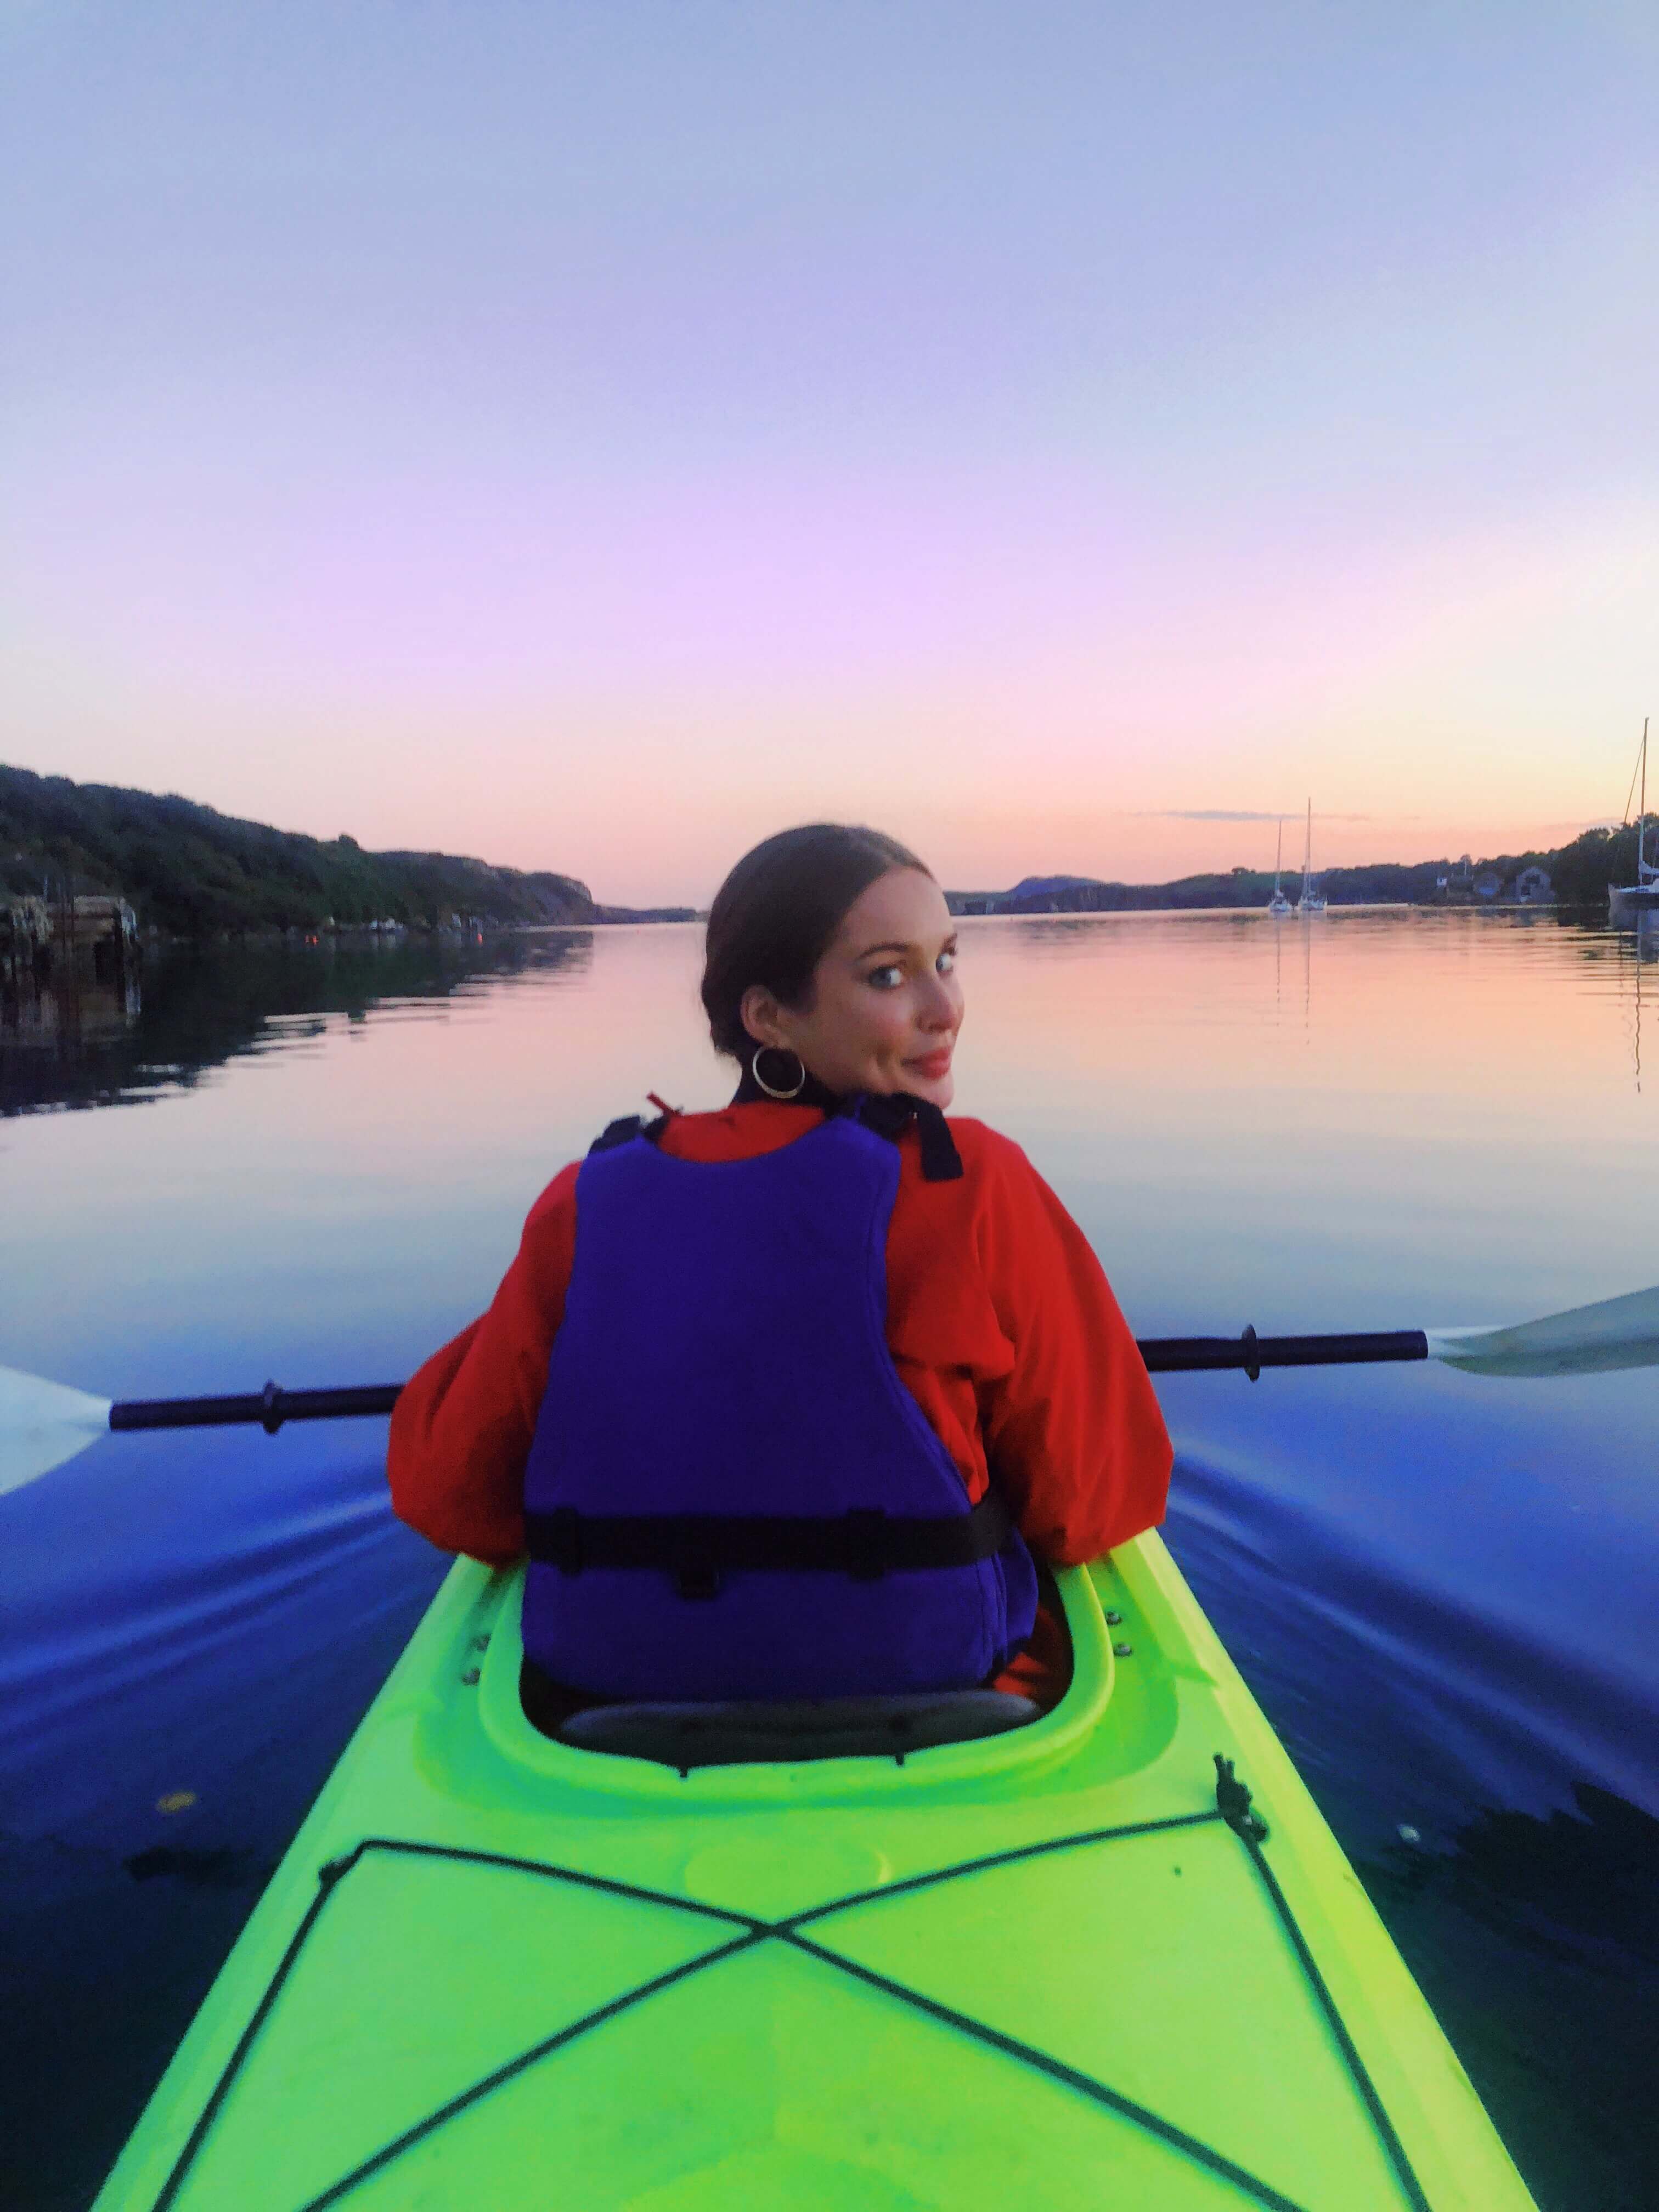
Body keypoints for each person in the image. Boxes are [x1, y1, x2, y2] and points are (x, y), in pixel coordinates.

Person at [388, 824, 1171, 1721]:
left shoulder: (589, 1201)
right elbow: (1099, 1502)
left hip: (611, 1714)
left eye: (946, 960)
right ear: (768, 1017)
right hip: (949, 1702)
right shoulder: (973, 1182)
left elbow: (449, 1497)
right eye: (888, 974)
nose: (944, 1007)